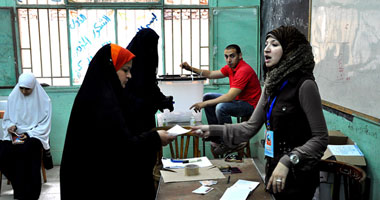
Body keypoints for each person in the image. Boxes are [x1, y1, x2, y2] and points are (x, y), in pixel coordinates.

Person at [192, 26, 328, 199]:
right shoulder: (271, 85)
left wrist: (288, 160)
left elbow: (321, 138)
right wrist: (212, 130)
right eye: (266, 44)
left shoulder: (304, 85)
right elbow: (250, 127)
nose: (266, 49)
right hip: (273, 168)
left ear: (291, 51)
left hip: (297, 174)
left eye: (275, 44)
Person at [60, 43, 175, 200]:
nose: (130, 76)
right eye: (125, 70)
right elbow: (121, 147)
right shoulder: (102, 102)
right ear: (109, 69)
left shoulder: (103, 94)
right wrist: (156, 138)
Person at [180, 44, 261, 155]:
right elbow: (211, 74)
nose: (228, 60)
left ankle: (230, 141)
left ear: (240, 56)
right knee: (207, 96)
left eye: (232, 56)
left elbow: (229, 97)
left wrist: (204, 104)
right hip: (239, 101)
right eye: (226, 56)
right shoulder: (230, 68)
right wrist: (190, 68)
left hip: (250, 105)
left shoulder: (244, 70)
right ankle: (216, 136)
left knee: (221, 107)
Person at [0, 72, 52, 200]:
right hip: (15, 133)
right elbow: (7, 119)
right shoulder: (13, 97)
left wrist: (29, 133)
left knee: (27, 149)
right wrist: (10, 126)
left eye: (27, 89)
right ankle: (19, 187)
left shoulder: (44, 101)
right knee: (3, 152)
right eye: (21, 88)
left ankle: (31, 192)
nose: (23, 91)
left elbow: (44, 124)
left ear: (33, 87)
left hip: (35, 134)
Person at [124, 28, 174, 133]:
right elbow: (137, 90)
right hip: (132, 115)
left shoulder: (146, 60)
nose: (153, 48)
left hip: (145, 114)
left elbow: (150, 85)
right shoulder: (128, 63)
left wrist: (162, 99)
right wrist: (156, 101)